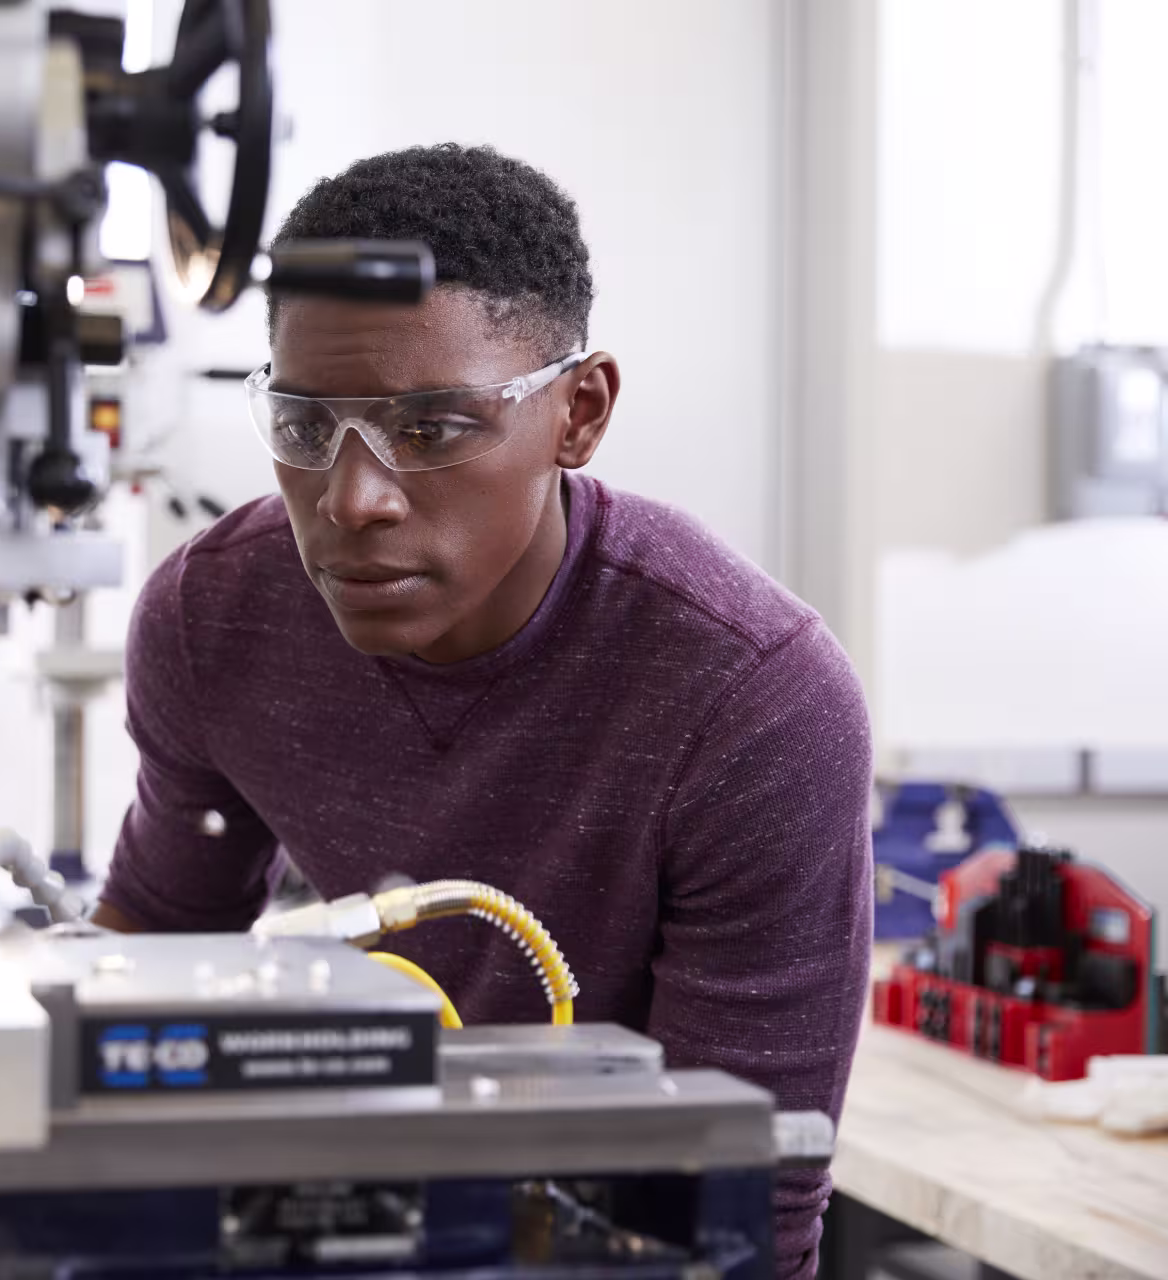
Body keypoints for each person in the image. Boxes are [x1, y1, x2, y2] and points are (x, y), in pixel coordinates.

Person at [92, 143, 873, 1279]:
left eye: (433, 427)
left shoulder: (750, 698)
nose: (354, 499)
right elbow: (149, 958)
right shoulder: (214, 621)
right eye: (305, 428)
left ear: (579, 412)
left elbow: (741, 1203)